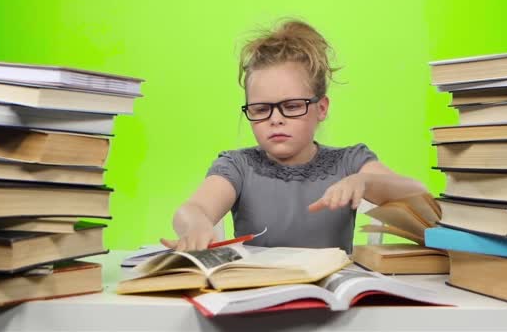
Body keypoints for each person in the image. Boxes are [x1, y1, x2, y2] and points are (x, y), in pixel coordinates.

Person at [160, 19, 427, 253]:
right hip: (257, 295)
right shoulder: (238, 166)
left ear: (321, 108)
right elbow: (192, 208)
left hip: (333, 302)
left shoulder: (350, 162)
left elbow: (419, 195)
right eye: (261, 109)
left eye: (292, 106)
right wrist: (195, 224)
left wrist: (367, 181)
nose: (276, 119)